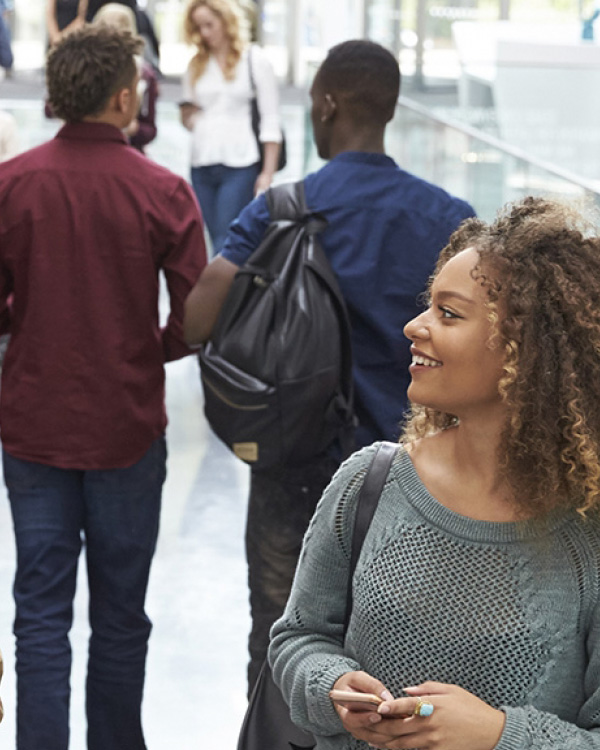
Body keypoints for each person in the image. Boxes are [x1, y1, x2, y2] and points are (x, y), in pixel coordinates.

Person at [184, 39, 475, 691]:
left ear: (327, 102)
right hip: (415, 469)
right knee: (402, 657)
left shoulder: (283, 208)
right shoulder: (450, 220)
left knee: (282, 644)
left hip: (296, 461)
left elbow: (198, 319)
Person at [269, 196, 600, 750]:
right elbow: (299, 637)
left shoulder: (587, 533)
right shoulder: (370, 482)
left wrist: (498, 735)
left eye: (449, 313)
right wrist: (332, 688)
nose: (413, 326)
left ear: (529, 350)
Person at [0, 24, 206, 750]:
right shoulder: (163, 191)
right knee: (121, 616)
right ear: (126, 97)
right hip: (126, 425)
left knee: (40, 614)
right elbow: (195, 315)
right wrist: (149, 352)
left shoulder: (11, 183)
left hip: (31, 426)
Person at [180, 0, 282, 254]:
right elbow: (187, 113)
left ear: (226, 21)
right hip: (202, 162)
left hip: (241, 162)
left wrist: (267, 173)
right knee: (214, 235)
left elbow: (271, 120)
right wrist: (193, 119)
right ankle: (229, 292)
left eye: (209, 25)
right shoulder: (196, 65)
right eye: (198, 27)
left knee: (227, 238)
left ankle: (222, 293)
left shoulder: (254, 60)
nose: (204, 33)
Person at [93, 2, 158, 153]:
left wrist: (134, 128)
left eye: (120, 28)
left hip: (128, 149)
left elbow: (150, 129)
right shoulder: (86, 69)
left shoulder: (144, 74)